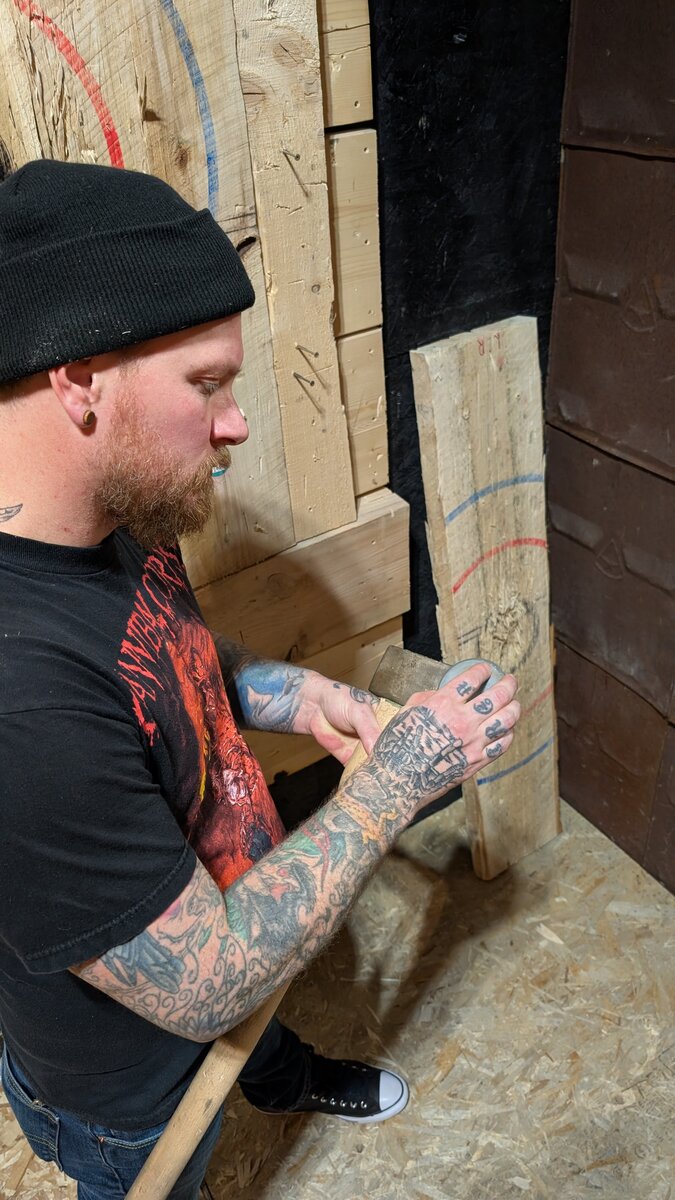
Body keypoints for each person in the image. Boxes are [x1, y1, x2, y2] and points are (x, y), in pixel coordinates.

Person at [0, 159, 520, 1198]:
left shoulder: (113, 504)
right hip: (132, 1095)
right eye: (206, 385)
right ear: (80, 379)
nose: (234, 421)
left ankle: (278, 1077)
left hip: (228, 906)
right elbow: (209, 983)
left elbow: (166, 658)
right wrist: (396, 781)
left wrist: (306, 695)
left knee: (256, 1034)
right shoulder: (21, 698)